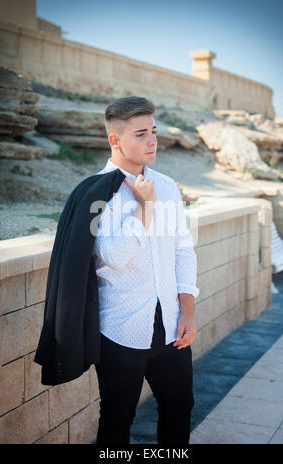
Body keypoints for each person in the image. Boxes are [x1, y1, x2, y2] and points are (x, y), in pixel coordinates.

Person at [92, 96, 200, 444]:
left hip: (171, 325)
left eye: (153, 131)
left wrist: (188, 312)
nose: (152, 141)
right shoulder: (98, 192)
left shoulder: (167, 186)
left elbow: (183, 250)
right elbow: (112, 255)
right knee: (118, 418)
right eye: (140, 133)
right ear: (115, 140)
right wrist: (146, 207)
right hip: (120, 327)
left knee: (180, 407)